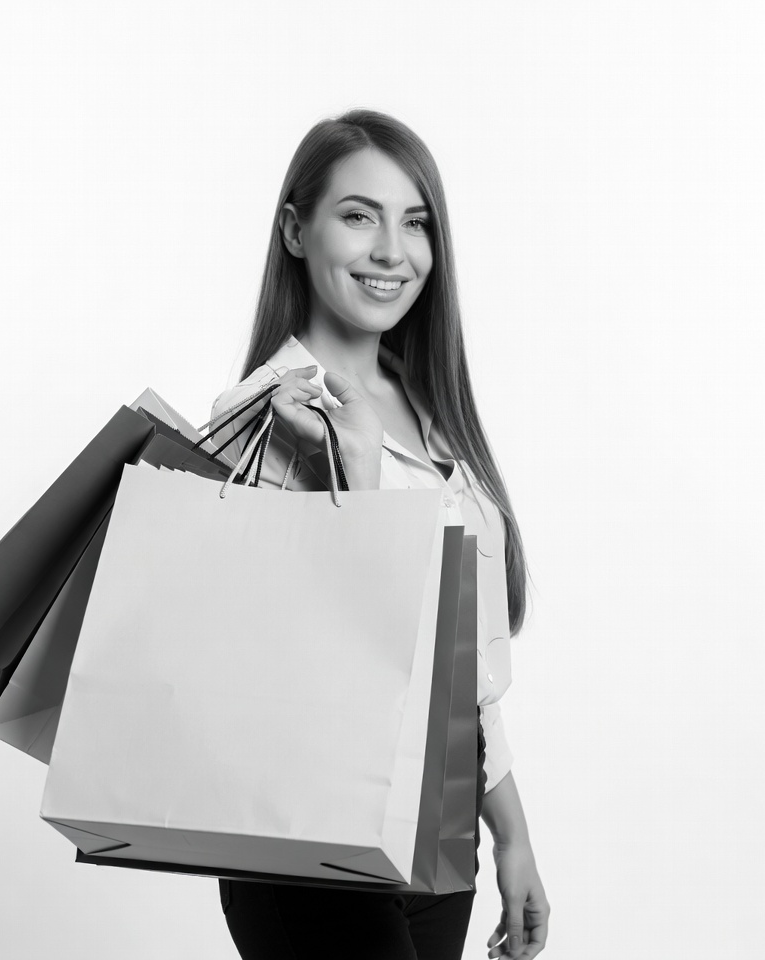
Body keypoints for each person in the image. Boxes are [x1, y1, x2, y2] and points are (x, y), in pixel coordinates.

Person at [208, 109, 549, 960]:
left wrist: (510, 835)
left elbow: (461, 665)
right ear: (295, 229)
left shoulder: (433, 413)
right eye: (359, 215)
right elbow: (288, 664)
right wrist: (352, 469)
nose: (394, 250)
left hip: (437, 838)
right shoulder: (257, 416)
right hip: (312, 836)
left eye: (417, 222)